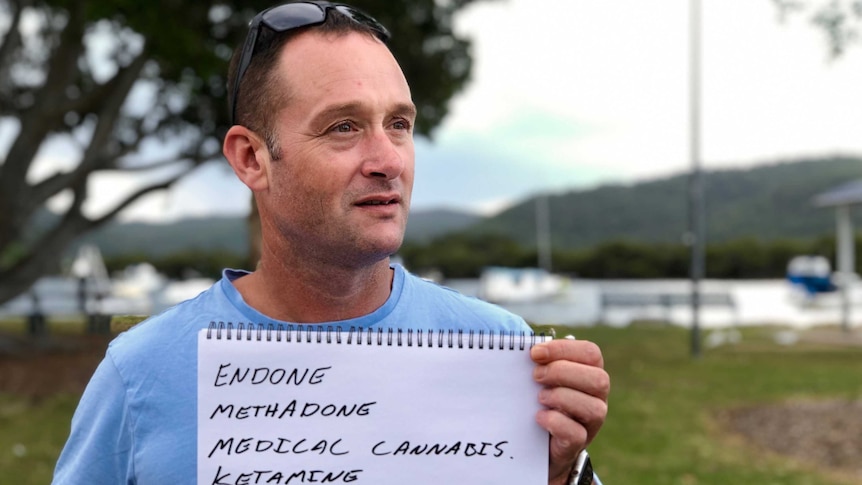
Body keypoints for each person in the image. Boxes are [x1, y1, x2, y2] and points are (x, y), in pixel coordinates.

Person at [52, 2, 609, 484]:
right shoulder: (141, 373)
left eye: (399, 124)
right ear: (252, 159)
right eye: (343, 126)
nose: (388, 160)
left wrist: (560, 474)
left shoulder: (501, 351)